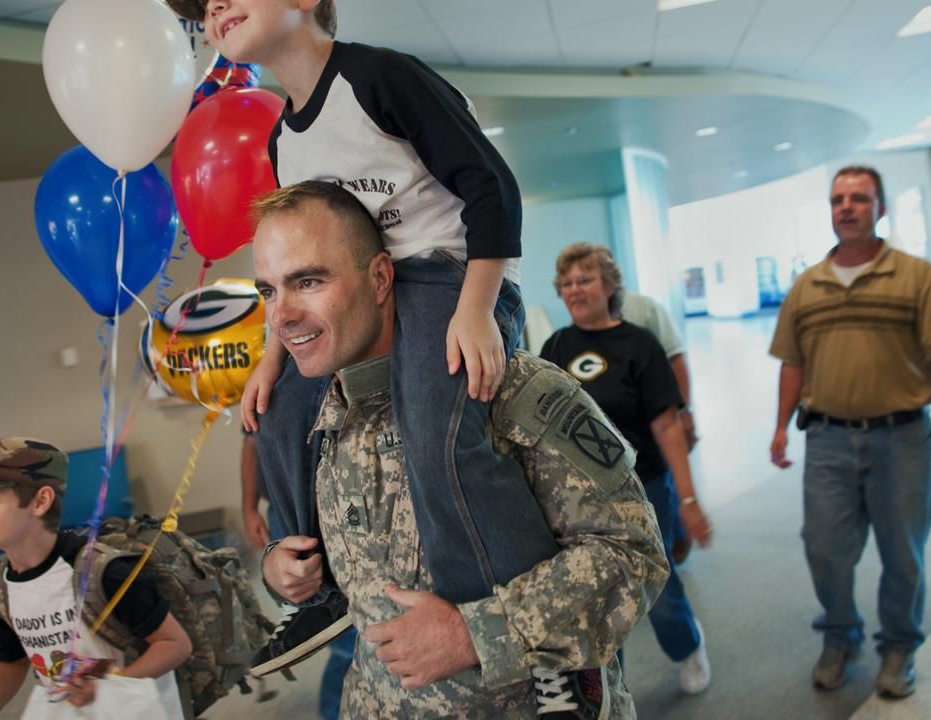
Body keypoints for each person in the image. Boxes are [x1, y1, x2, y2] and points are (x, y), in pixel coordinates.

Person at [166, 0, 562, 682]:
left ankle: (511, 632)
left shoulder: (381, 78)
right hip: (358, 287)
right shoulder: (282, 141)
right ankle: (320, 590)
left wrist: (476, 308)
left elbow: (492, 188)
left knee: (436, 432)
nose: (215, 8)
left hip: (448, 272)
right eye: (204, 6)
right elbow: (294, 264)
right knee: (278, 415)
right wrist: (270, 362)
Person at [250, 181, 667, 718]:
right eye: (268, 291)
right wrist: (280, 572)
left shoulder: (503, 388)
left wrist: (477, 634)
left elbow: (634, 554)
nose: (281, 315)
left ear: (379, 277)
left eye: (307, 281)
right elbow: (346, 574)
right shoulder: (322, 419)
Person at [769, 166, 931, 699]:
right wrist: (779, 427)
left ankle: (899, 646)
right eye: (838, 199)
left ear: (880, 209)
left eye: (860, 198)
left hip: (902, 439)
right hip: (827, 440)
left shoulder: (917, 277)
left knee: (902, 552)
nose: (847, 207)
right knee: (823, 548)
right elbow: (792, 363)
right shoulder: (807, 286)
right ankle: (840, 634)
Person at [541, 243, 713, 696]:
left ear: (610, 286)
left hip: (643, 488)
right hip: (578, 496)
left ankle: (689, 645)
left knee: (657, 586)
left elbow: (666, 425)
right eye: (567, 283)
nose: (575, 289)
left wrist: (690, 499)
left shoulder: (640, 344)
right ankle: (610, 686)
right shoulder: (556, 346)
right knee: (594, 592)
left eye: (585, 279)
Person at [0, 438, 192, 719]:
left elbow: (175, 645)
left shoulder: (104, 572)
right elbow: (11, 659)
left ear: (41, 501)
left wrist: (107, 688)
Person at [241, 430, 355, 720]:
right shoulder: (261, 388)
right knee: (305, 595)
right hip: (284, 503)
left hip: (336, 496)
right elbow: (251, 442)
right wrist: (248, 508)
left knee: (349, 637)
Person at [619, 290, 698, 563]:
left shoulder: (644, 308)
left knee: (664, 480)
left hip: (655, 418)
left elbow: (677, 360)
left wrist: (684, 413)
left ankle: (676, 534)